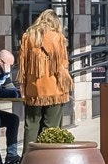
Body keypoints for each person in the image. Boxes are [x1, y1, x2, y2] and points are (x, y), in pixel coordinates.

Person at [18, 9, 71, 149]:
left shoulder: (27, 37)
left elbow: (23, 65)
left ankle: (27, 158)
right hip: (55, 90)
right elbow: (63, 64)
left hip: (33, 89)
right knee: (51, 126)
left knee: (31, 125)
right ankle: (47, 158)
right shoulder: (58, 37)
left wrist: (23, 85)